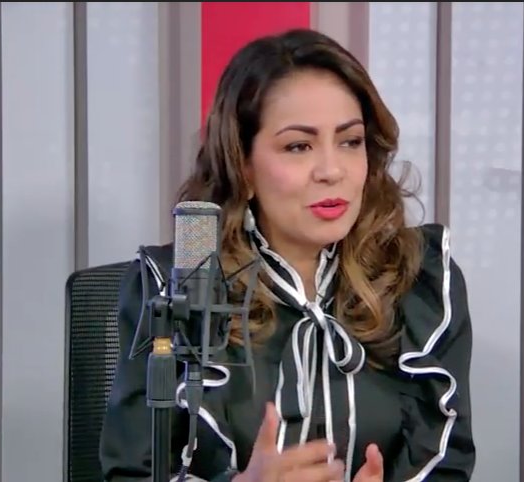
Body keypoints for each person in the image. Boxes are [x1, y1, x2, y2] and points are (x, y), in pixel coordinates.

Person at [99, 28, 475, 482]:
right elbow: (133, 473)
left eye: (350, 141)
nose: (332, 170)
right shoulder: (175, 285)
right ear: (243, 165)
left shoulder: (421, 281)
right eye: (299, 146)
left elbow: (447, 465)